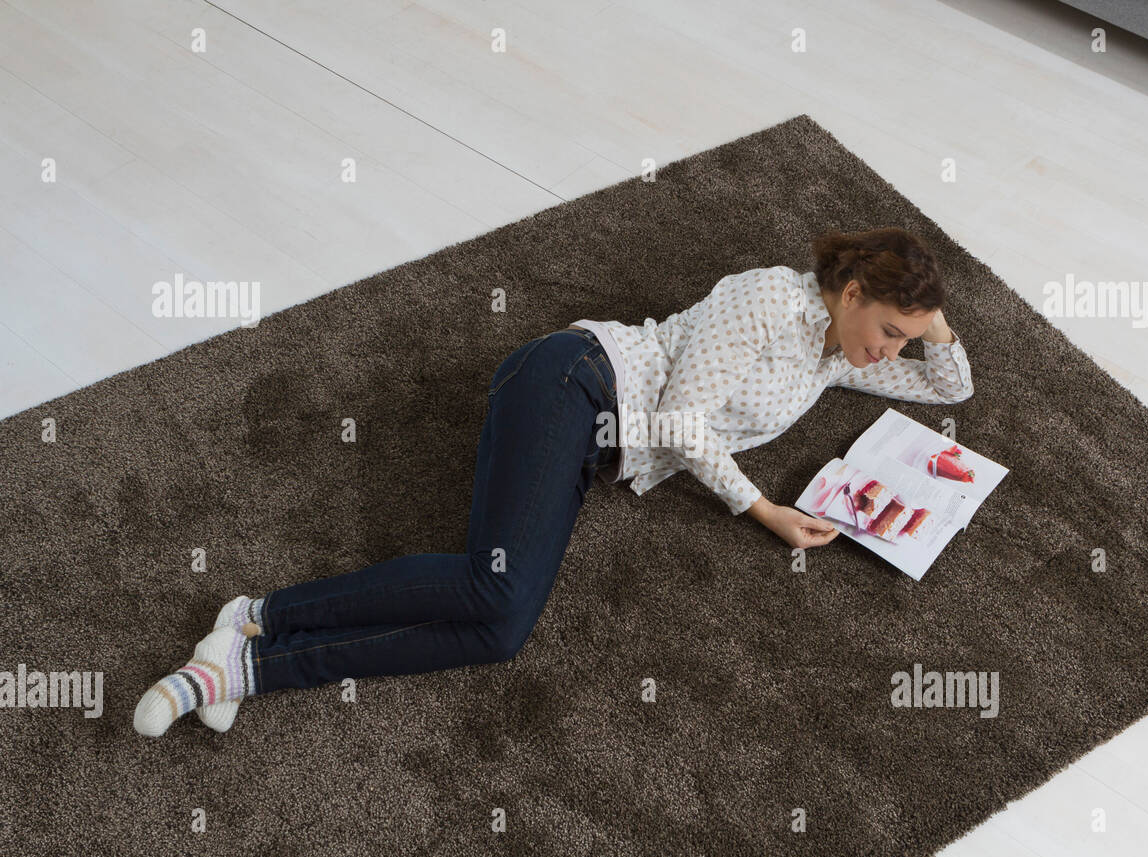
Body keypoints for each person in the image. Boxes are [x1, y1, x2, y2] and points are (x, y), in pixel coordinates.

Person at [134, 226, 974, 736]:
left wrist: (937, 325)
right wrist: (763, 510)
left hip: (600, 446)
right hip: (575, 380)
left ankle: (243, 667)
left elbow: (950, 386)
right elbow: (680, 422)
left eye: (905, 338)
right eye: (891, 329)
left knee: (498, 632)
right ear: (851, 291)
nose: (891, 351)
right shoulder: (766, 299)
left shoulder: (839, 350)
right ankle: (255, 616)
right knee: (487, 584)